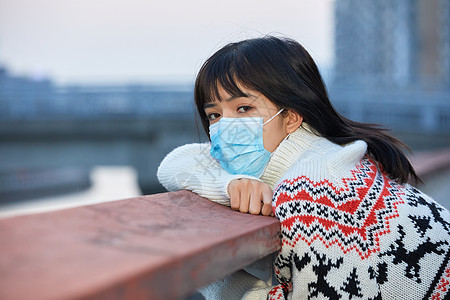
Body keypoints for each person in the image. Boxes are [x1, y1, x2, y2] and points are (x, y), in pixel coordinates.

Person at [157, 36, 450, 299]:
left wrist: (217, 274)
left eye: (244, 108)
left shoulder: (313, 190)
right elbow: (176, 163)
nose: (223, 127)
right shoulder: (329, 158)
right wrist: (229, 184)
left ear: (291, 118)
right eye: (214, 114)